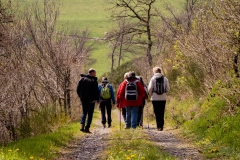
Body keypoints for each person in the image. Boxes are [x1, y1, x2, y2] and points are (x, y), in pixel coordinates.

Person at [77, 68, 99, 133]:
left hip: (83, 99)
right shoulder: (93, 80)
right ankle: (87, 128)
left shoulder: (82, 79)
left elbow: (78, 90)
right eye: (95, 73)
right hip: (91, 100)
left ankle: (82, 126)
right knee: (90, 114)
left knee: (84, 112)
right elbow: (96, 91)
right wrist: (95, 98)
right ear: (92, 73)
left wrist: (81, 97)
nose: (95, 74)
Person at [148, 67, 170, 131]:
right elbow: (168, 89)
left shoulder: (152, 79)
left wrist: (151, 94)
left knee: (156, 112)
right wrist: (165, 93)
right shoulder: (165, 79)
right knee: (162, 111)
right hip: (163, 98)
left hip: (155, 98)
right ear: (160, 71)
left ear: (154, 72)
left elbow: (149, 89)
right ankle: (161, 126)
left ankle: (158, 126)